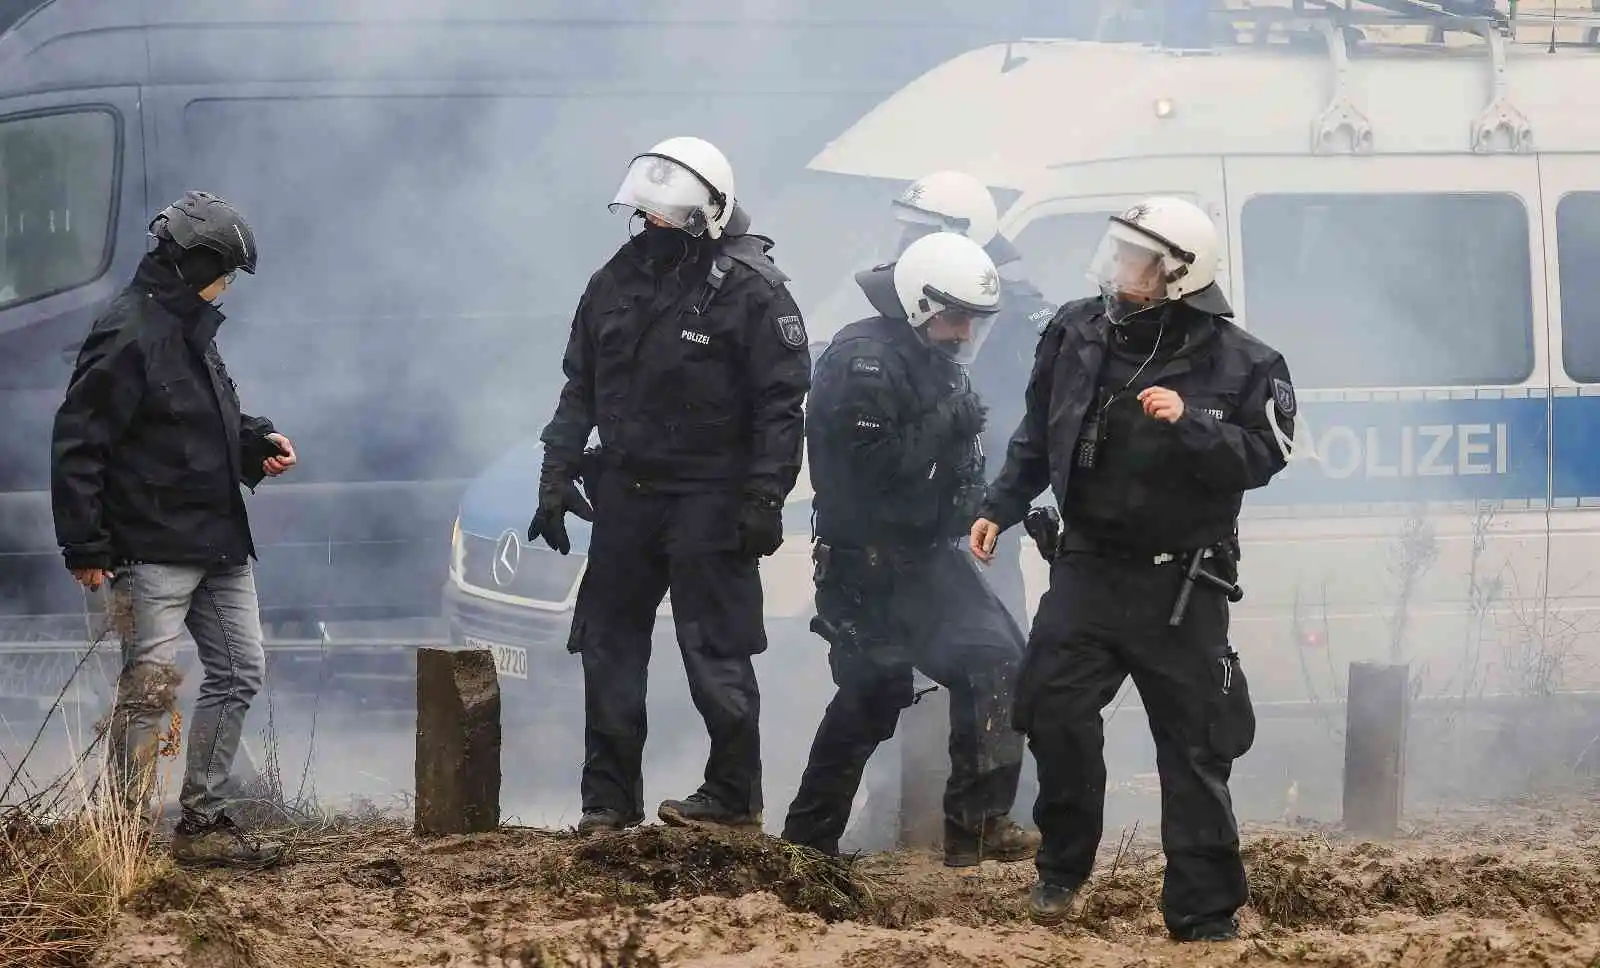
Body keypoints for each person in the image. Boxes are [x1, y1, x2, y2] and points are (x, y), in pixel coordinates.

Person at [970, 196, 1296, 941]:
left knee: (1194, 749)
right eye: (1116, 253)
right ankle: (1062, 869)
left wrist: (1193, 425)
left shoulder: (1244, 362)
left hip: (1181, 585)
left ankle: (1204, 914)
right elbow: (1037, 430)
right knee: (1051, 713)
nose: (1118, 269)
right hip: (1085, 569)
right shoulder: (1075, 329)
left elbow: (1265, 456)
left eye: (1135, 260)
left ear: (1180, 274)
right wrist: (1002, 503)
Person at [530, 136, 811, 835]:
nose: (650, 230)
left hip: (710, 500)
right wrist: (556, 471)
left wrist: (764, 499)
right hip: (627, 493)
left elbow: (782, 407)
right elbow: (580, 385)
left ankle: (732, 799)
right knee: (608, 643)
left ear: (703, 219)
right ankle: (608, 803)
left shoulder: (755, 292)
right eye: (644, 216)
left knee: (714, 647)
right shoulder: (614, 280)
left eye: (666, 220)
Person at [51, 191, 296, 868]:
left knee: (241, 669)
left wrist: (255, 443)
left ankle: (205, 823)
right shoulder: (128, 330)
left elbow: (202, 422)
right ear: (198, 264)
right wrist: (85, 544)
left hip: (218, 540)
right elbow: (80, 442)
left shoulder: (192, 325)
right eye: (227, 273)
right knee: (150, 691)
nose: (230, 288)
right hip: (153, 548)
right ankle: (123, 840)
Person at [781, 231, 1040, 867]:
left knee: (998, 659)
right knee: (872, 692)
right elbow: (869, 471)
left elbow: (955, 464)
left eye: (972, 322)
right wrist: (945, 425)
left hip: (928, 557)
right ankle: (805, 848)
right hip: (864, 565)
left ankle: (976, 824)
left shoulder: (933, 358)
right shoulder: (860, 360)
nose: (963, 334)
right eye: (955, 318)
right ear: (921, 305)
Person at [884, 171, 1058, 628]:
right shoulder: (934, 285)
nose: (904, 242)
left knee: (990, 598)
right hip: (934, 472)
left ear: (964, 233)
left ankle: (1004, 687)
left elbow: (1036, 406)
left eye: (918, 232)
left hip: (984, 479)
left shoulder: (1015, 308)